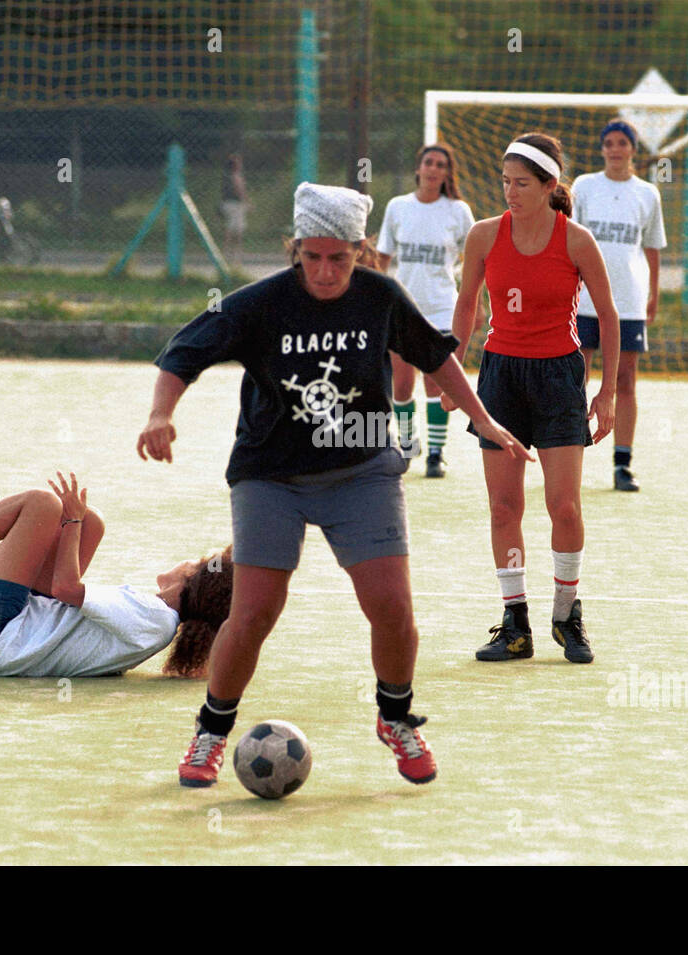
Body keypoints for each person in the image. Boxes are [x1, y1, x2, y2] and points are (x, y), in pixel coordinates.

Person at [138, 181, 532, 789]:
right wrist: (161, 415)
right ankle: (211, 733)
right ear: (295, 248)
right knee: (254, 611)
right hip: (271, 475)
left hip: (362, 473)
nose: (325, 271)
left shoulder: (380, 297)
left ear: (362, 251)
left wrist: (481, 419)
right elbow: (182, 354)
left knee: (393, 610)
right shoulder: (259, 303)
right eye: (312, 256)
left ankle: (396, 718)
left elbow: (435, 356)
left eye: (339, 258)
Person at [445, 132, 619, 664]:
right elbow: (468, 305)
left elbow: (608, 318)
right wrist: (448, 372)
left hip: (559, 377)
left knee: (563, 505)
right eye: (504, 181)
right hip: (501, 377)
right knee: (504, 506)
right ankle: (514, 622)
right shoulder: (482, 236)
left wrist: (607, 392)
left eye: (522, 183)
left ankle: (567, 613)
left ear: (549, 186)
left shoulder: (576, 241)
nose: (510, 191)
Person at [0, 450, 233, 679]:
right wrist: (1, 539)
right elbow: (50, 595)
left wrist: (70, 521)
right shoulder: (155, 621)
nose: (188, 559)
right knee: (92, 523)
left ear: (192, 576)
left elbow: (65, 589)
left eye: (197, 559)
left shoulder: (153, 616)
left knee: (45, 505)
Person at [572, 119, 667, 491]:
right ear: (602, 149)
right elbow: (568, 238)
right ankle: (570, 455)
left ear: (632, 149)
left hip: (627, 301)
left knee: (625, 380)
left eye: (622, 143)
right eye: (608, 142)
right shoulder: (584, 186)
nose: (615, 149)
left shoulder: (647, 194)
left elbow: (652, 248)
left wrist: (653, 294)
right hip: (583, 300)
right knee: (576, 377)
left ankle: (622, 464)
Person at [377, 143, 481, 478]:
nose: (434, 169)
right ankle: (408, 445)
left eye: (441, 165)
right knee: (402, 386)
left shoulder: (458, 211)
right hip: (404, 311)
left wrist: (478, 302)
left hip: (442, 310)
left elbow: (477, 260)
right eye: (429, 163)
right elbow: (383, 258)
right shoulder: (398, 207)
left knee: (436, 386)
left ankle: (436, 454)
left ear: (447, 173)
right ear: (418, 168)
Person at [220, 154, 248, 268]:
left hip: (226, 204)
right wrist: (247, 202)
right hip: (236, 205)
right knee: (237, 232)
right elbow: (240, 191)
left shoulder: (226, 177)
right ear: (236, 166)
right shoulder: (236, 176)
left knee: (229, 229)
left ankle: (226, 254)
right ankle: (236, 258)